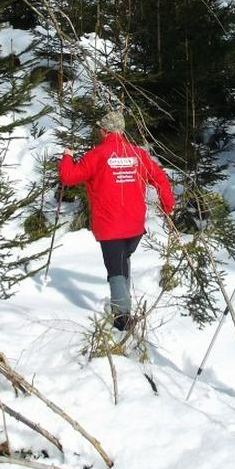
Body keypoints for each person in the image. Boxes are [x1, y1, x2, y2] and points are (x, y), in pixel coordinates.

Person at [58, 110, 174, 330]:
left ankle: (122, 320)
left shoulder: (97, 155)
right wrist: (167, 206)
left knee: (116, 271)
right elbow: (160, 178)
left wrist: (67, 156)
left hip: (111, 227)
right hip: (135, 227)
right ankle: (124, 305)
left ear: (105, 131)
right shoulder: (138, 154)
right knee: (122, 262)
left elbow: (68, 177)